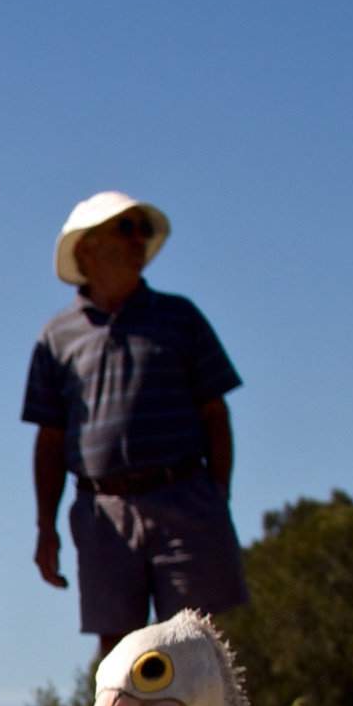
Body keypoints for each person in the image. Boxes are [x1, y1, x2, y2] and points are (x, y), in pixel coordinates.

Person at [24, 192, 246, 654]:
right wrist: (46, 526)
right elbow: (49, 439)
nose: (138, 240)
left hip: (184, 496)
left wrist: (216, 495)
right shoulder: (56, 337)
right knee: (119, 653)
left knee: (196, 645)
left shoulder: (179, 317)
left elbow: (215, 414)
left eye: (142, 230)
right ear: (86, 246)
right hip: (103, 510)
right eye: (125, 229)